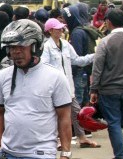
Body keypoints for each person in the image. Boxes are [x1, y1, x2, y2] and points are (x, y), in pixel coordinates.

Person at [0, 19, 72, 159]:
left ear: (35, 47)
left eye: (21, 47)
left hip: (41, 157)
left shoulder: (55, 77)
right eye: (12, 48)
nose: (16, 53)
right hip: (9, 157)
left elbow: (64, 117)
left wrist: (65, 155)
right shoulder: (3, 77)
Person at [41, 18, 99, 148]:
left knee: (77, 113)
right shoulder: (46, 47)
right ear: (50, 31)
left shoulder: (65, 44)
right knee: (55, 114)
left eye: (61, 28)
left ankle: (82, 138)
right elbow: (44, 66)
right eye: (58, 28)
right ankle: (57, 140)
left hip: (68, 86)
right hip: (54, 87)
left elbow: (77, 60)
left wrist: (94, 55)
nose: (61, 30)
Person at [90, 9, 123, 159]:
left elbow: (97, 67)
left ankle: (119, 157)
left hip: (109, 89)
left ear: (109, 22)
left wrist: (94, 89)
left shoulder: (105, 42)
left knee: (113, 123)